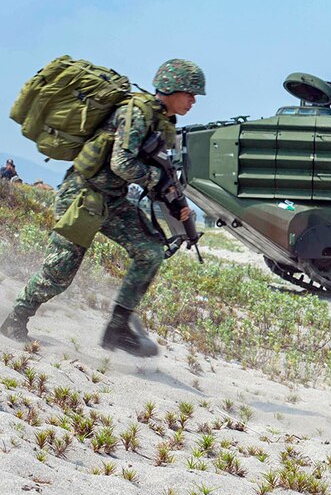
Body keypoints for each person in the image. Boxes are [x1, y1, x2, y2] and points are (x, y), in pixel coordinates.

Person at [1, 59, 204, 354]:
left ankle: (117, 329)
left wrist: (172, 199)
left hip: (114, 199)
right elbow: (121, 163)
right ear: (172, 88)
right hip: (83, 195)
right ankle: (15, 320)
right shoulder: (136, 112)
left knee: (150, 251)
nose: (194, 100)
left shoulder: (163, 123)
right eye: (190, 93)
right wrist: (155, 178)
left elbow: (153, 168)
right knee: (59, 272)